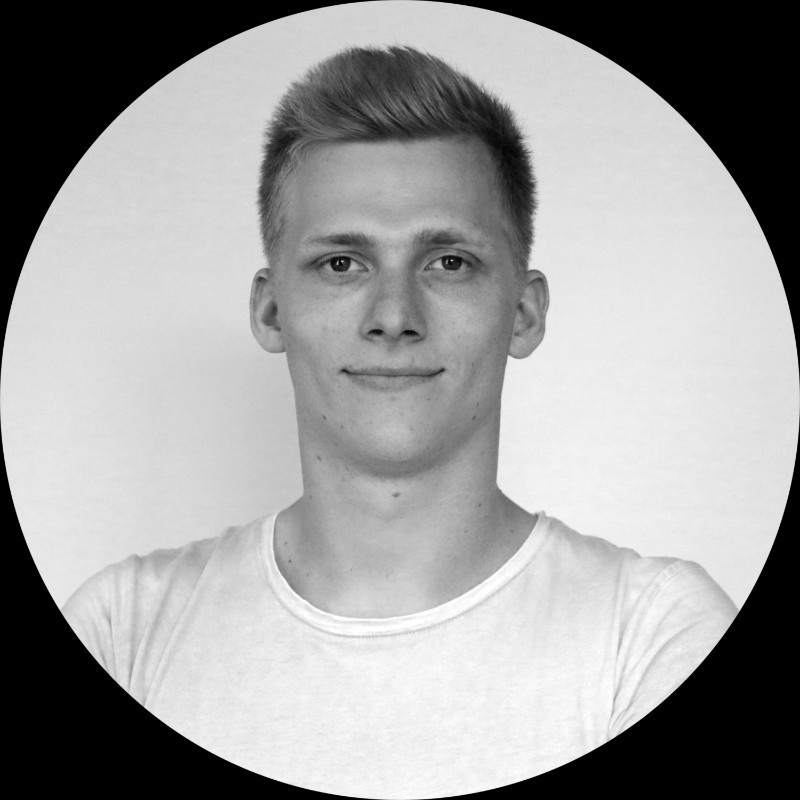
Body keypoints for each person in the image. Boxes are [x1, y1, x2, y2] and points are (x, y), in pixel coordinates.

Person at [62, 45, 737, 798]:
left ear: (523, 312)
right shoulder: (121, 632)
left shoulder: (655, 636)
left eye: (448, 262)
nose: (393, 316)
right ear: (271, 308)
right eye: (341, 264)